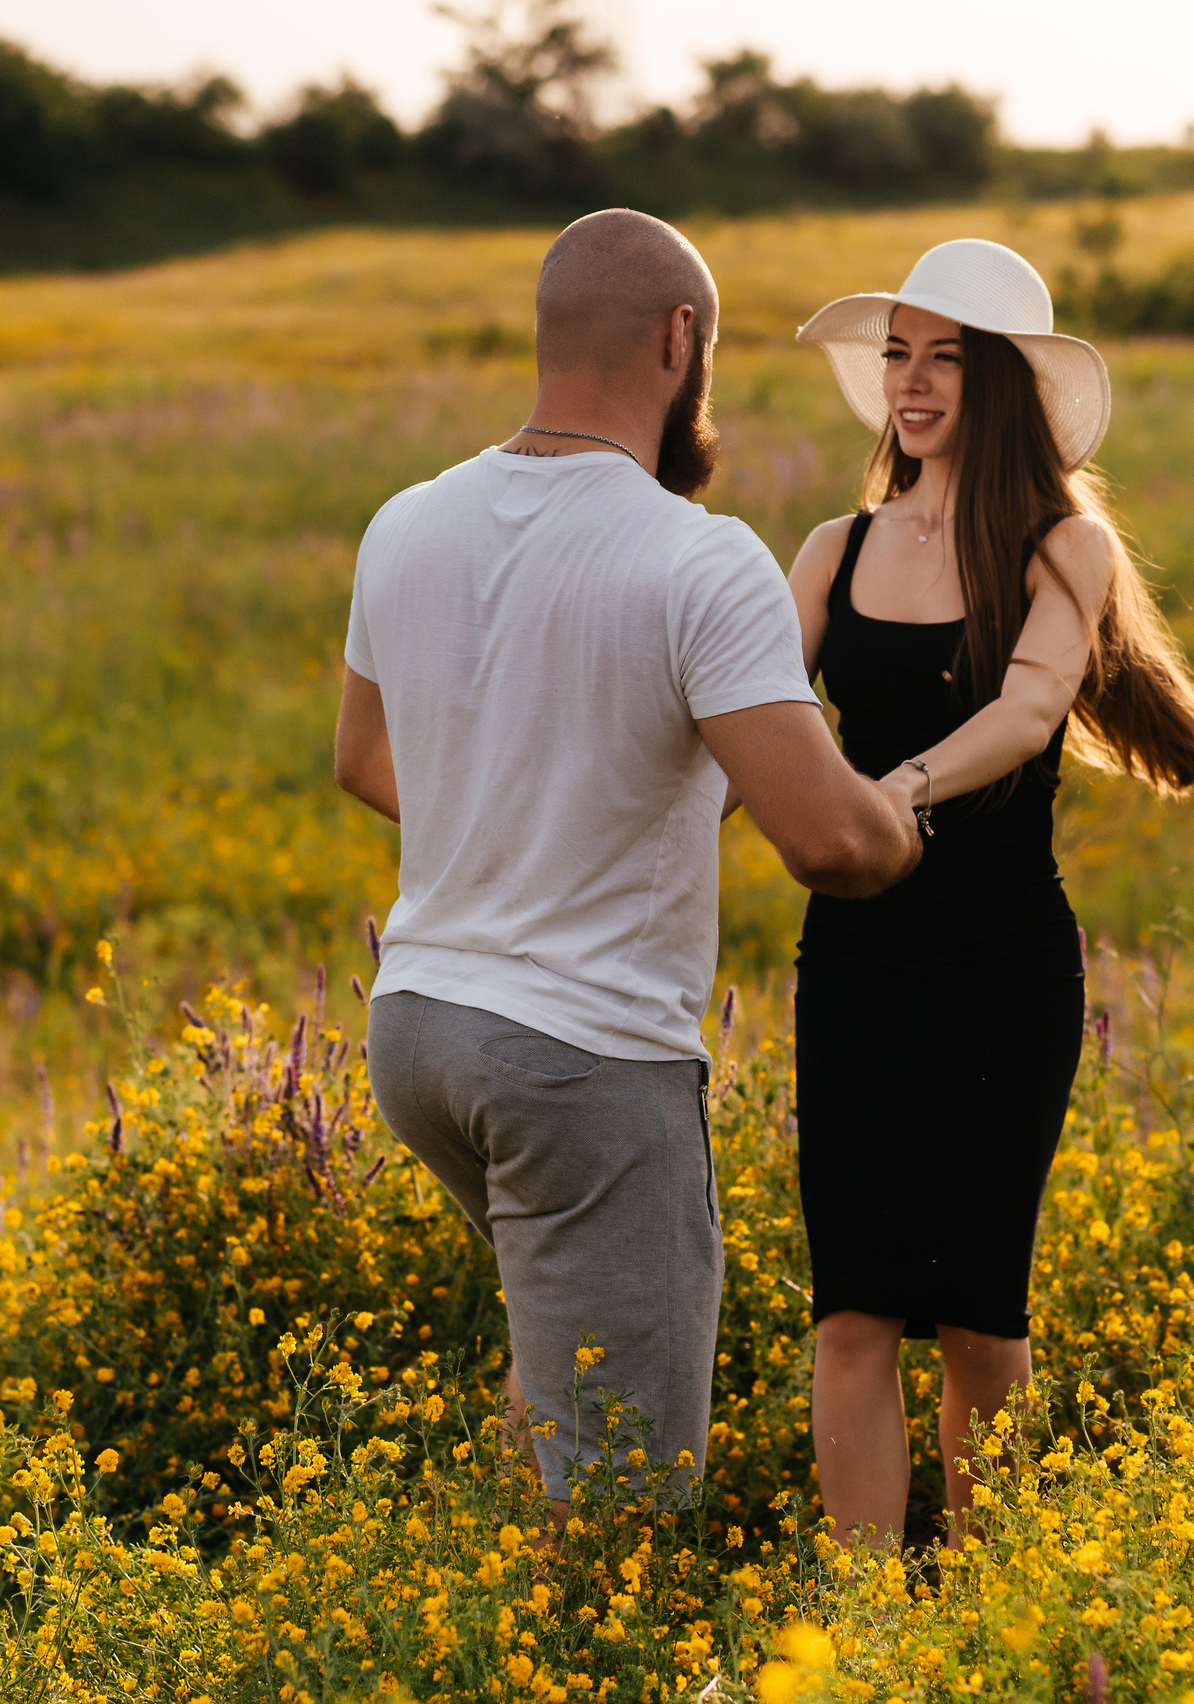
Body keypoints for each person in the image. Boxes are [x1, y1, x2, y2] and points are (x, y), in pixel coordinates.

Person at [333, 209, 921, 1516]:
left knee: (560, 1363)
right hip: (581, 1060)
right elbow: (829, 839)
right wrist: (908, 817)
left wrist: (544, 824)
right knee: (626, 1501)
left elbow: (366, 762)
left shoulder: (405, 524)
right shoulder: (697, 555)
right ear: (679, 340)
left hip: (420, 1030)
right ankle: (583, 1614)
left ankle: (493, 1599)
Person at [785, 238, 1194, 1548]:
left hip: (1002, 970)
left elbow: (1032, 708)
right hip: (855, 965)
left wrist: (893, 791)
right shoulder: (832, 549)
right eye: (899, 355)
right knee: (854, 1308)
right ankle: (868, 1621)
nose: (913, 382)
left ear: (1003, 389)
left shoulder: (1065, 547)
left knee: (981, 1315)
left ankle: (988, 1613)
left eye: (948, 359)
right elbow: (747, 722)